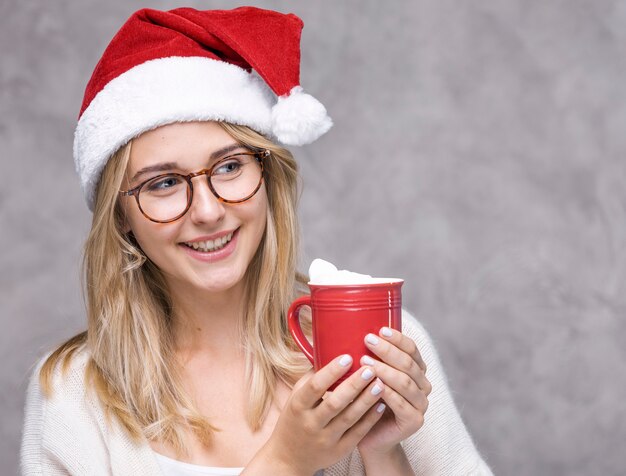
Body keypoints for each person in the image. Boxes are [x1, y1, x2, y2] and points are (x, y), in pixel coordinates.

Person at [20, 6, 492, 476]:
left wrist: (383, 452)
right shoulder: (71, 393)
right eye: (162, 183)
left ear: (267, 178)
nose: (208, 211)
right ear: (121, 216)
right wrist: (285, 461)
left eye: (229, 167)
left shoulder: (384, 344)